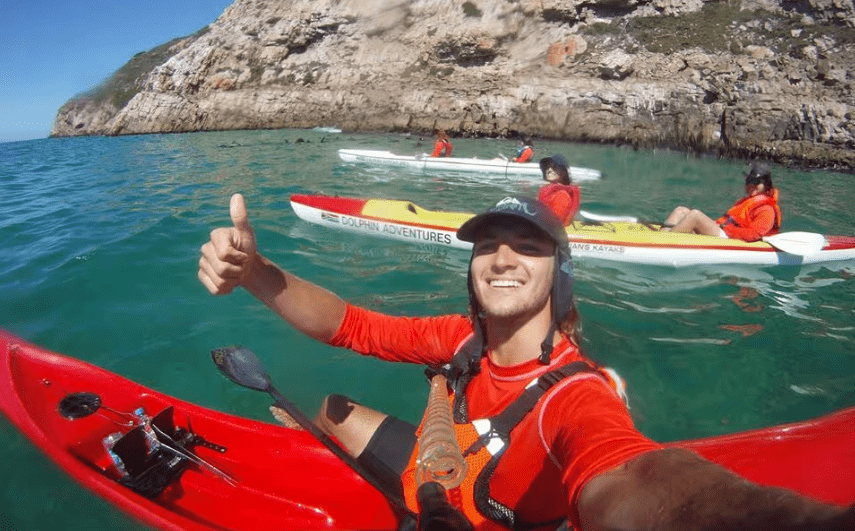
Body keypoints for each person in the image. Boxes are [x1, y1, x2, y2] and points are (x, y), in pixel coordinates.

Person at [199, 193, 853, 531]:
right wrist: (254, 272)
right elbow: (349, 323)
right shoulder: (460, 337)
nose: (503, 256)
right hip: (439, 472)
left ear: (559, 276)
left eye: (527, 246)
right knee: (333, 408)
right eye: (488, 244)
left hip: (488, 515)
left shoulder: (574, 393)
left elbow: (636, 478)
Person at [661, 163, 782, 241]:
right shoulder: (748, 201)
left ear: (766, 185)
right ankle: (658, 238)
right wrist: (721, 226)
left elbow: (754, 234)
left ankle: (664, 245)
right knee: (681, 210)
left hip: (730, 237)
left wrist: (728, 229)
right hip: (723, 231)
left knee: (695, 215)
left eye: (757, 182)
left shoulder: (767, 209)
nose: (752, 185)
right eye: (750, 181)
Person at [538, 154, 580, 225]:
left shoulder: (562, 195)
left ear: (563, 173)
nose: (549, 170)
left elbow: (555, 225)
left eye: (554, 167)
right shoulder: (549, 191)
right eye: (546, 167)